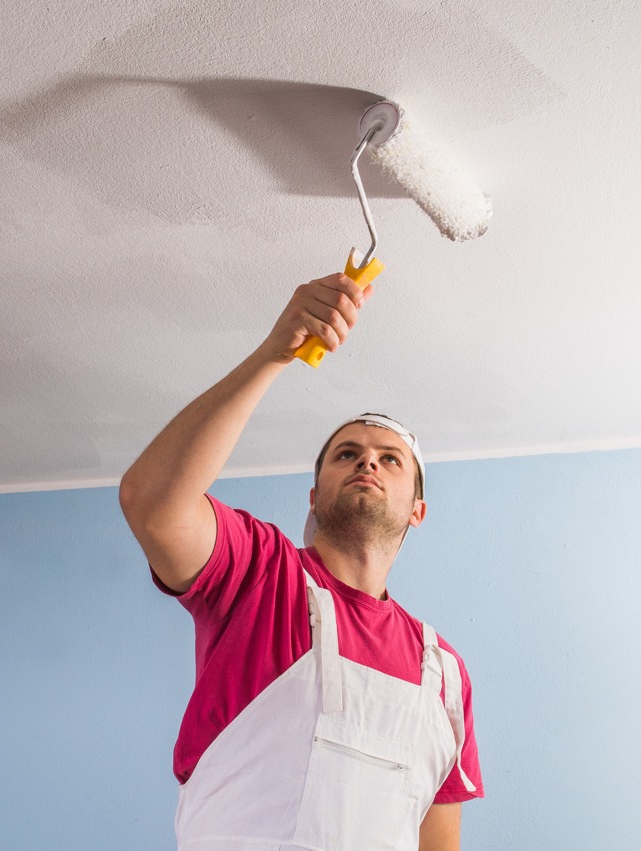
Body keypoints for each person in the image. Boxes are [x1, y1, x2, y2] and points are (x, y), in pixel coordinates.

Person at [120, 272, 484, 851]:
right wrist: (275, 353)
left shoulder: (444, 675)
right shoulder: (260, 574)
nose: (368, 462)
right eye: (347, 454)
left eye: (390, 459)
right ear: (314, 497)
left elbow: (437, 842)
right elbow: (154, 506)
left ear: (417, 510)